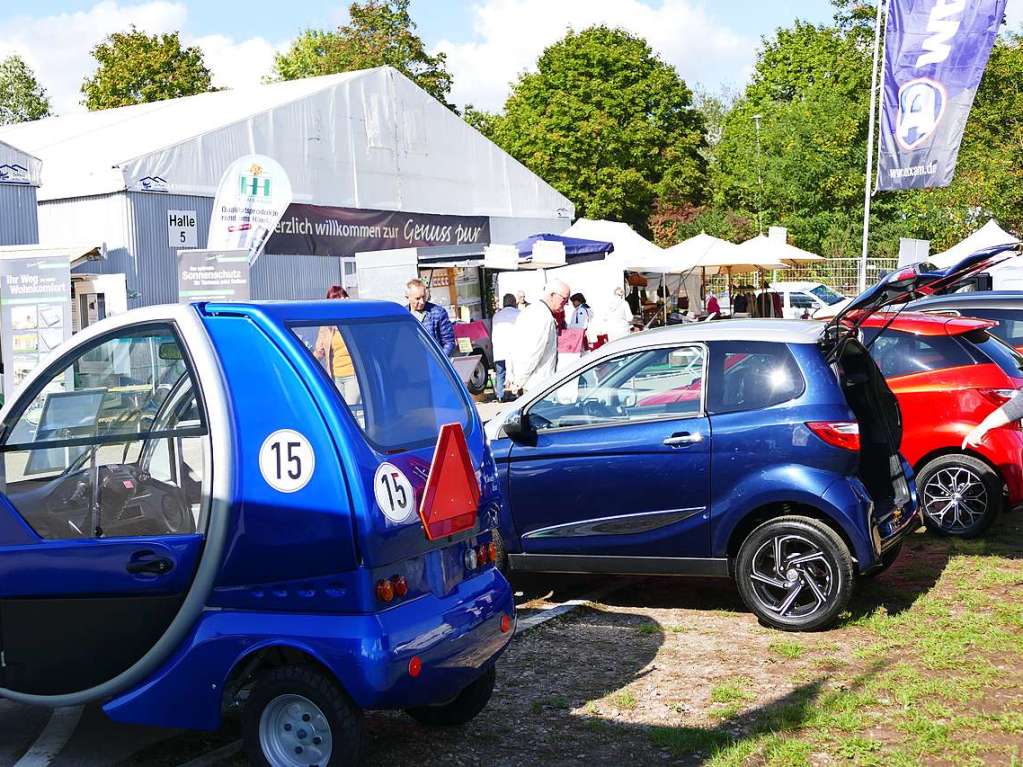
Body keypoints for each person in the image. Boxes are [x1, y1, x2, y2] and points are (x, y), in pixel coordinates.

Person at [508, 279, 570, 396]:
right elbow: (533, 353)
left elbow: (513, 347)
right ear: (552, 295)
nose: (566, 303)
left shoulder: (531, 310)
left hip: (531, 384)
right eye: (564, 299)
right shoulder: (543, 317)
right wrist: (518, 382)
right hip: (537, 386)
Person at [314, 286, 361, 407]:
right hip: (335, 376)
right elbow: (319, 351)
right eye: (331, 301)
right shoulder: (326, 325)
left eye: (338, 300)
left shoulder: (353, 320)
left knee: (351, 409)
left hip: (353, 374)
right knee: (340, 409)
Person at [405, 278, 455, 355]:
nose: (422, 302)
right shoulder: (402, 315)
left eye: (424, 297)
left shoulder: (438, 313)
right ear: (408, 297)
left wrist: (439, 362)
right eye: (417, 298)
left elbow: (449, 342)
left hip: (433, 361)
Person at [491, 293, 519, 401]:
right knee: (516, 373)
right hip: (514, 349)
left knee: (500, 373)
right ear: (513, 302)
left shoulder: (496, 316)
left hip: (499, 349)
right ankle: (516, 393)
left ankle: (500, 395)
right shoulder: (519, 314)